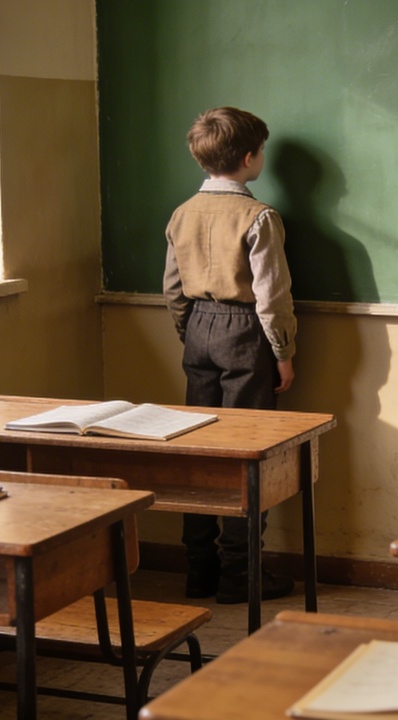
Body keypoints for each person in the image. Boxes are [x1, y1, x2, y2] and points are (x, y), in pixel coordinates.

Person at [163, 107, 297, 604]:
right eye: (261, 151)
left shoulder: (182, 213)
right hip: (246, 334)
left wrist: (192, 330)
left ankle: (199, 569)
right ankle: (241, 574)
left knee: (198, 454)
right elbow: (271, 296)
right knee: (248, 455)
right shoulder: (259, 216)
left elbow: (173, 289)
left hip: (198, 327)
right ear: (248, 158)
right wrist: (282, 352)